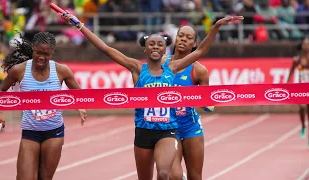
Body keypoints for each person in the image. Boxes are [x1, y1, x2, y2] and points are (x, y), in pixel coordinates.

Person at [61, 11, 243, 180]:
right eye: (151, 44)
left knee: (165, 175)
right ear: (145, 49)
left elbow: (200, 51)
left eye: (160, 45)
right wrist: (79, 25)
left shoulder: (172, 68)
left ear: (165, 50)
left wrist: (216, 26)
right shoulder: (137, 68)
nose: (155, 47)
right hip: (144, 130)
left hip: (169, 130)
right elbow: (105, 48)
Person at [0, 32, 87, 180]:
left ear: (52, 53)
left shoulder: (62, 71)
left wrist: (79, 106)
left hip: (54, 132)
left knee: (44, 177)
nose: (42, 57)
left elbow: (79, 94)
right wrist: (0, 114)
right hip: (30, 131)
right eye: (38, 53)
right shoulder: (19, 70)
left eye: (46, 54)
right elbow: (1, 90)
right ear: (33, 49)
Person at [162, 22, 236, 180]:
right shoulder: (162, 64)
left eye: (188, 38)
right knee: (172, 175)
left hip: (191, 127)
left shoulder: (199, 71)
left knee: (195, 176)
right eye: (180, 36)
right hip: (168, 128)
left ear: (194, 44)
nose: (183, 39)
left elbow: (207, 103)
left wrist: (207, 104)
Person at [287, 35, 309, 144]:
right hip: (301, 88)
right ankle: (303, 125)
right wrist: (287, 82)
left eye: (308, 44)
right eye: (304, 44)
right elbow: (291, 71)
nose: (306, 46)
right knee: (302, 107)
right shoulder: (297, 60)